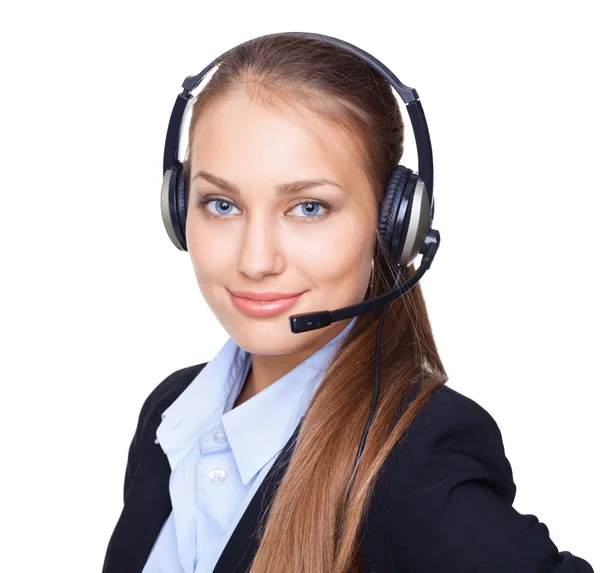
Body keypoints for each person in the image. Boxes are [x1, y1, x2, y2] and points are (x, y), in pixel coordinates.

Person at [101, 32, 594, 573]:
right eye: (222, 204)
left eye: (308, 208)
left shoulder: (414, 458)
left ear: (392, 226)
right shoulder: (170, 414)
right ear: (178, 211)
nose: (256, 260)